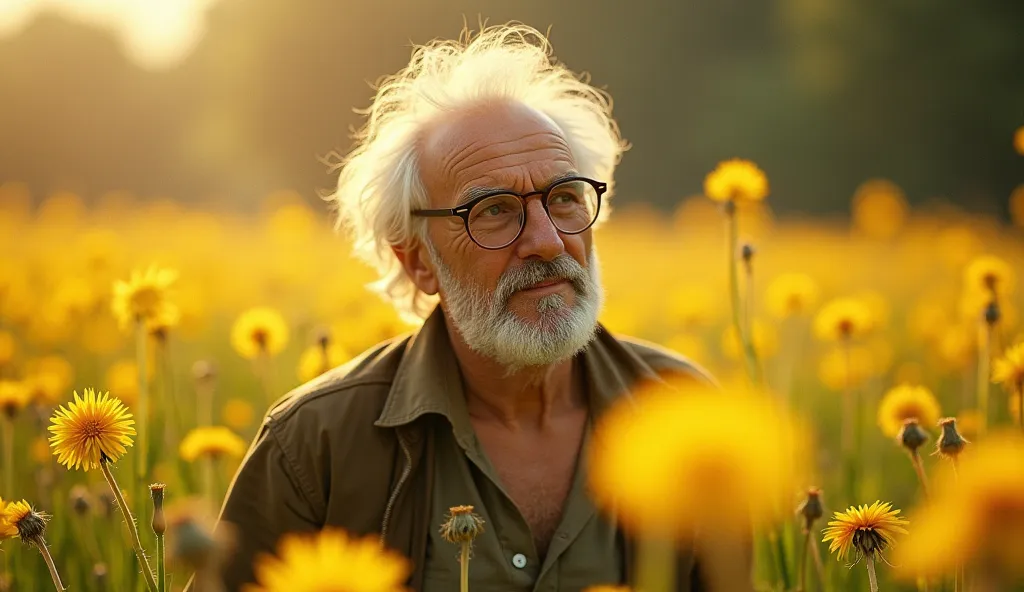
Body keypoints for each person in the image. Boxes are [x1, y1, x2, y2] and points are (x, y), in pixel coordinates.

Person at [215, 23, 717, 591]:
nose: (548, 240)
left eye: (564, 198)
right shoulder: (315, 446)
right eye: (494, 212)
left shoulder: (690, 418)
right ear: (418, 262)